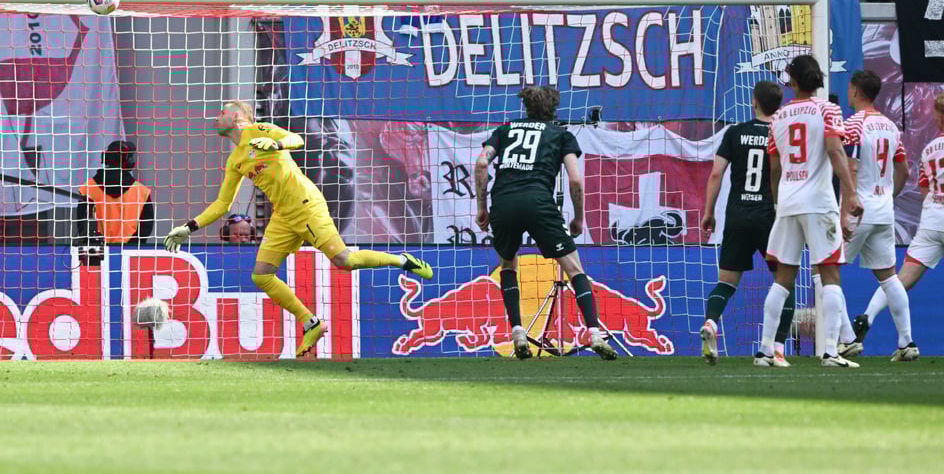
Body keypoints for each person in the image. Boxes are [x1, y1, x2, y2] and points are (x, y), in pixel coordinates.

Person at [163, 100, 434, 357]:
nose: (216, 117)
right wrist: (189, 227)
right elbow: (223, 203)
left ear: (235, 117)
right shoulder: (235, 159)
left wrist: (276, 143)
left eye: (221, 112)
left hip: (306, 205)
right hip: (283, 216)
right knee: (262, 276)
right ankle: (311, 322)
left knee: (345, 260)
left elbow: (297, 140)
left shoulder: (259, 129)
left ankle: (403, 260)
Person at [473, 86, 618, 361]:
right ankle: (595, 333)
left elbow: (482, 164)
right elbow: (575, 180)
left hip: (503, 203)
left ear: (526, 107)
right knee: (574, 268)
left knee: (508, 264)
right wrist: (578, 217)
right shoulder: (561, 135)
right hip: (539, 202)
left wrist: (482, 207)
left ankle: (517, 330)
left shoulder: (505, 130)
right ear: (553, 109)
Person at [855, 93, 944, 360]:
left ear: (938, 116)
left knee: (900, 279)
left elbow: (925, 188)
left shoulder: (930, 149)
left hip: (931, 223)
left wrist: (939, 204)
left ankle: (867, 318)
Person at [757, 55, 864, 368]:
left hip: (788, 202)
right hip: (817, 202)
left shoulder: (778, 117)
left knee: (782, 279)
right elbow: (834, 150)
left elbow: (774, 168)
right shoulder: (828, 110)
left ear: (792, 81)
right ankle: (831, 351)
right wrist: (851, 193)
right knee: (830, 274)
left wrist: (779, 203)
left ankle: (765, 351)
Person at [699, 81, 792, 366]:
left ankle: (712, 324)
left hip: (738, 215)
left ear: (754, 102)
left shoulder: (735, 132)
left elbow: (716, 174)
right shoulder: (782, 134)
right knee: (784, 283)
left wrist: (708, 212)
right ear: (778, 105)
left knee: (726, 283)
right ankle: (776, 347)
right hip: (770, 217)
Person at [834, 71, 918, 362]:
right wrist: (887, 197)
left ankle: (846, 339)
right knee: (889, 278)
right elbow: (904, 170)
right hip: (883, 210)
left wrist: (846, 210)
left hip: (859, 208)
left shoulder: (854, 123)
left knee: (825, 272)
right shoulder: (891, 127)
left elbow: (852, 168)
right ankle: (907, 343)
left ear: (855, 91)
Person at [76, 140, 154, 245]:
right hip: (129, 253)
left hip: (97, 253)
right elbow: (145, 228)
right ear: (128, 161)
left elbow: (82, 224)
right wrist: (132, 246)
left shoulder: (88, 188)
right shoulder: (141, 192)